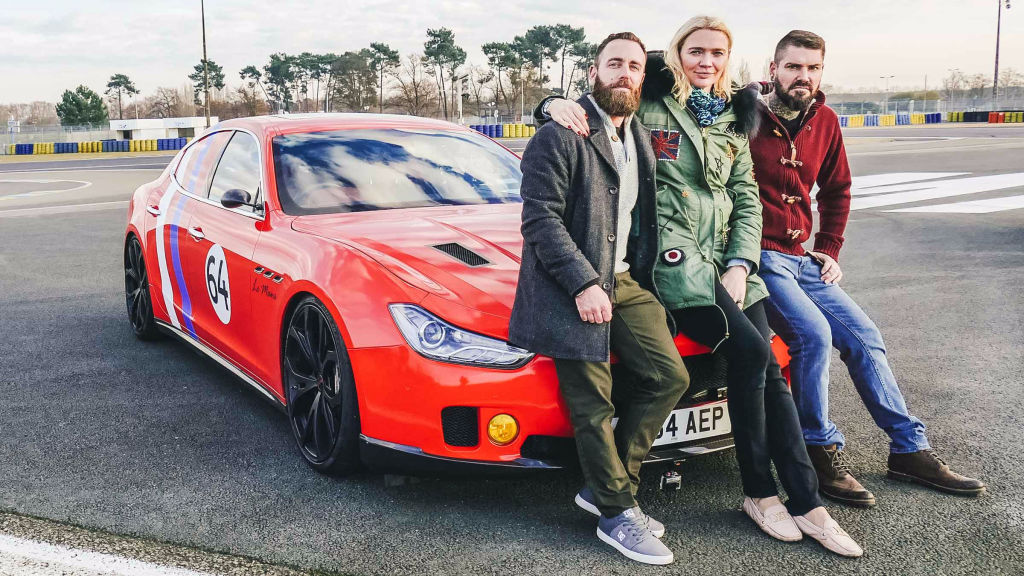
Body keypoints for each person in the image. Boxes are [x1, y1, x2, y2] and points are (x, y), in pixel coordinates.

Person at [538, 17, 862, 558]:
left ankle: (806, 502)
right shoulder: (651, 103)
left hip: (727, 264)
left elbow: (747, 196)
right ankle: (758, 490)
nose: (706, 61)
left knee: (771, 374)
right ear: (678, 53)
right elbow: (597, 104)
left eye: (717, 52)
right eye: (696, 51)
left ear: (729, 58)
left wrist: (739, 263)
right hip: (674, 262)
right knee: (755, 353)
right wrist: (551, 103)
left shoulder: (740, 114)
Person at [749, 29, 986, 506]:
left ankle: (909, 449)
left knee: (865, 337)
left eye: (813, 68)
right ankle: (819, 448)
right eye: (794, 67)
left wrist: (830, 250)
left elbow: (837, 190)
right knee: (812, 336)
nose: (804, 76)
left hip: (802, 259)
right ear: (773, 69)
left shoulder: (826, 120)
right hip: (759, 255)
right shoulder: (744, 116)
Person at [508, 32, 689, 565]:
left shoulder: (637, 135)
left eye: (634, 66)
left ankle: (608, 488)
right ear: (594, 72)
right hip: (570, 285)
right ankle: (617, 514)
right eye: (615, 64)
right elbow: (539, 219)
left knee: (668, 376)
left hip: (625, 281)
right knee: (593, 406)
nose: (625, 74)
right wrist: (584, 282)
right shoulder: (560, 134)